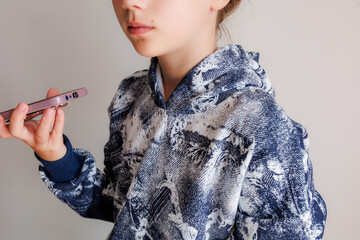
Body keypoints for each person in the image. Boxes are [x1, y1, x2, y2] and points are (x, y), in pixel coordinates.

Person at [0, 0, 327, 239]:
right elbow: (121, 207)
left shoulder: (257, 122)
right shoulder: (131, 97)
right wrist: (55, 155)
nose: (130, 3)